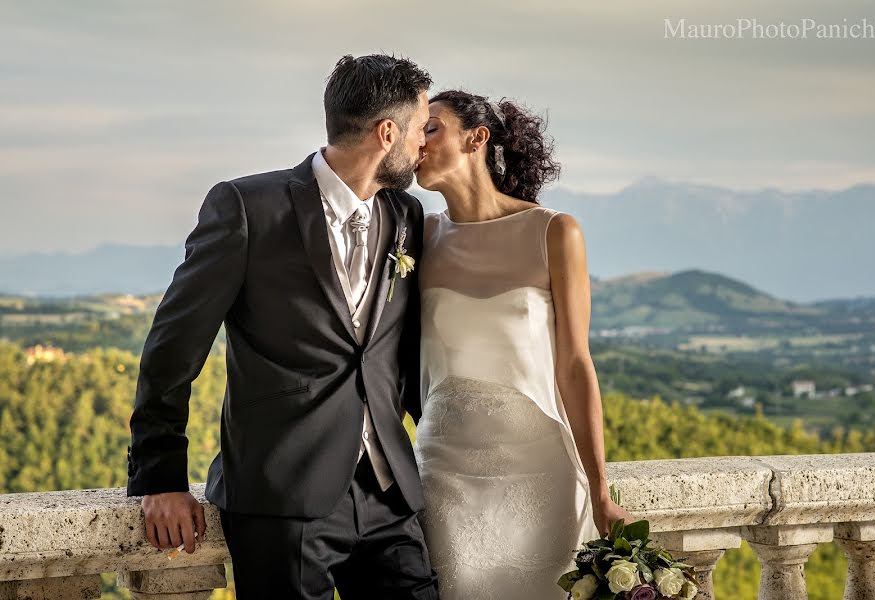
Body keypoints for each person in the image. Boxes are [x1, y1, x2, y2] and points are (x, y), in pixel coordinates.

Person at [126, 54, 440, 600]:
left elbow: (395, 353)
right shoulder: (249, 208)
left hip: (388, 493)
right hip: (281, 498)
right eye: (419, 129)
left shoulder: (405, 216)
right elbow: (173, 346)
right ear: (386, 133)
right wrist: (161, 477)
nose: (424, 145)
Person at [411, 90, 637, 600]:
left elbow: (576, 365)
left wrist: (601, 492)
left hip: (542, 474)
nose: (417, 142)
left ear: (476, 137)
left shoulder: (554, 232)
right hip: (446, 476)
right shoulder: (419, 238)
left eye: (431, 128)